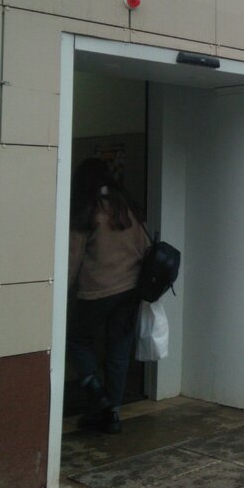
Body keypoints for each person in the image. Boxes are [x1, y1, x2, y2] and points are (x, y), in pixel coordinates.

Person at [67, 157, 149, 433]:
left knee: (76, 340)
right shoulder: (126, 207)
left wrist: (62, 292)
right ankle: (112, 413)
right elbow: (145, 246)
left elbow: (72, 259)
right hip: (129, 290)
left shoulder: (86, 210)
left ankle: (96, 393)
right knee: (118, 352)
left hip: (96, 291)